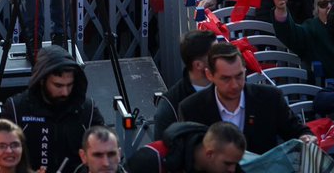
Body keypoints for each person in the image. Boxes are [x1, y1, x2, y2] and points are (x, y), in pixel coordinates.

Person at [176, 44, 310, 154]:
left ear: (245, 70)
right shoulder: (191, 109)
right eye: (226, 78)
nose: (234, 85)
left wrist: (306, 138)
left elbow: (296, 131)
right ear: (209, 75)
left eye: (239, 76)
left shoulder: (271, 99)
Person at [0, 46, 106, 173]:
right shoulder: (16, 108)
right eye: (58, 85)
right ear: (42, 80)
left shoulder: (88, 109)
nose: (65, 92)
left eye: (69, 85)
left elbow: (106, 152)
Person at [153, 30, 216, 138]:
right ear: (198, 65)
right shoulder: (171, 106)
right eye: (215, 54)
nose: (222, 57)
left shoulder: (230, 86)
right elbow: (165, 151)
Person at [125, 122, 246, 173]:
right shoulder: (151, 159)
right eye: (228, 164)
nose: (233, 170)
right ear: (209, 154)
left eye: (236, 163)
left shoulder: (227, 163)